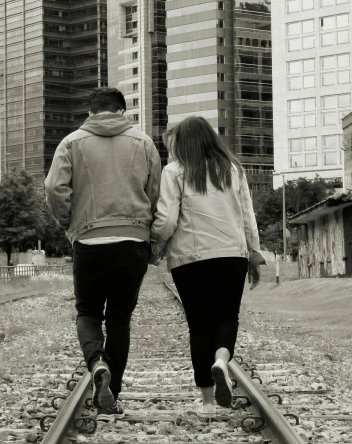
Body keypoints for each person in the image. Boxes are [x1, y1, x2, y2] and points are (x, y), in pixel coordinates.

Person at [45, 87, 161, 418]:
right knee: (120, 320)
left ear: (91, 112)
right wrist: (150, 235)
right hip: (133, 242)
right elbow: (156, 193)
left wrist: (69, 221)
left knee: (89, 312)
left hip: (89, 241)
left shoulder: (71, 143)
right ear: (122, 111)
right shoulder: (144, 143)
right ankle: (115, 390)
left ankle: (97, 362)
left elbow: (54, 188)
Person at [151, 116, 261, 417]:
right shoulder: (233, 169)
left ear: (184, 143)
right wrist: (253, 254)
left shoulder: (174, 171)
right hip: (232, 256)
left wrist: (155, 246)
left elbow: (168, 219)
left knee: (200, 326)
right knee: (228, 317)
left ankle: (209, 402)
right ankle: (222, 361)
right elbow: (247, 216)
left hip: (190, 259)